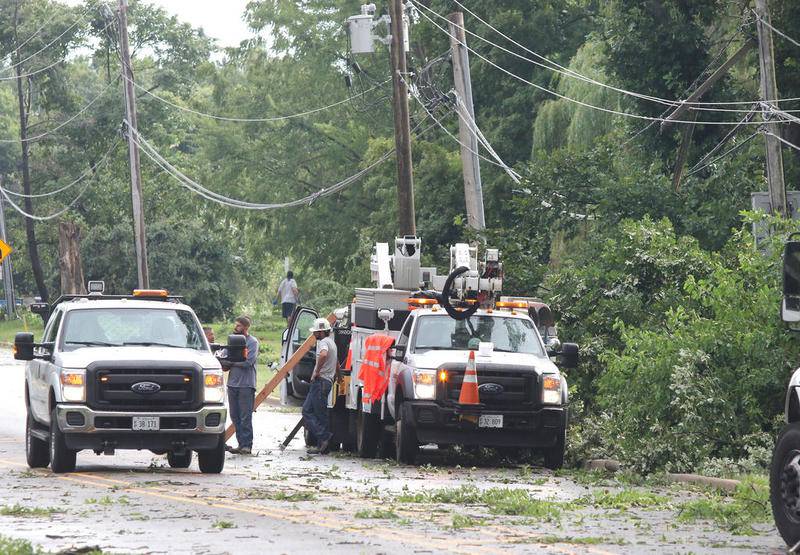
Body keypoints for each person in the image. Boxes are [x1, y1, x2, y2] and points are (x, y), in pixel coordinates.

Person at [221, 316, 259, 455]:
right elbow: (224, 358)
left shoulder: (252, 342)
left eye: (238, 326)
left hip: (246, 385)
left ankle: (247, 445)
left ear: (246, 327)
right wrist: (224, 363)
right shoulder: (232, 341)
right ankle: (240, 444)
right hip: (232, 384)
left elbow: (248, 362)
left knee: (245, 416)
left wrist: (231, 363)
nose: (235, 328)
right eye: (235, 325)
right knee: (234, 415)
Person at [303, 318, 337, 455]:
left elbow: (323, 355)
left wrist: (316, 372)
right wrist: (338, 376)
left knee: (307, 411)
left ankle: (324, 437)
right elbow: (336, 362)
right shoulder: (332, 343)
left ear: (321, 332)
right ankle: (323, 446)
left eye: (316, 332)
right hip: (327, 381)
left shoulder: (323, 343)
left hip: (321, 381)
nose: (314, 334)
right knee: (320, 414)